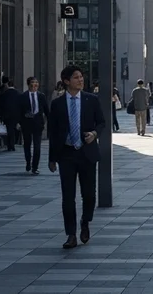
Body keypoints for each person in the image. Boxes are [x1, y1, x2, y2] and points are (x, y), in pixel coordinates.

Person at [47, 66, 107, 249]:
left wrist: (95, 134)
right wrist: (52, 158)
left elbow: (102, 122)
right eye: (76, 77)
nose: (81, 80)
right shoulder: (57, 104)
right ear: (66, 81)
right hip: (66, 154)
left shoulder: (91, 100)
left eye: (81, 77)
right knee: (68, 197)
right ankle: (71, 234)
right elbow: (53, 132)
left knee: (89, 195)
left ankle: (85, 222)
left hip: (87, 152)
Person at [19, 77, 49, 174]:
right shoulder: (23, 96)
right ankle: (28, 162)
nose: (34, 84)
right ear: (28, 84)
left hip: (38, 124)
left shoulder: (41, 96)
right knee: (27, 145)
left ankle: (35, 167)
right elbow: (18, 111)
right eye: (32, 82)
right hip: (26, 124)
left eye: (36, 82)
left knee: (37, 147)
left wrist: (51, 122)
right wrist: (21, 119)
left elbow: (46, 110)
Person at [0, 76, 22, 152]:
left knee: (9, 129)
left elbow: (0, 105)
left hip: (7, 115)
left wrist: (0, 116)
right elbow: (20, 105)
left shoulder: (4, 94)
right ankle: (12, 145)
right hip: (15, 115)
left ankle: (9, 145)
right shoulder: (18, 94)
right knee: (13, 129)